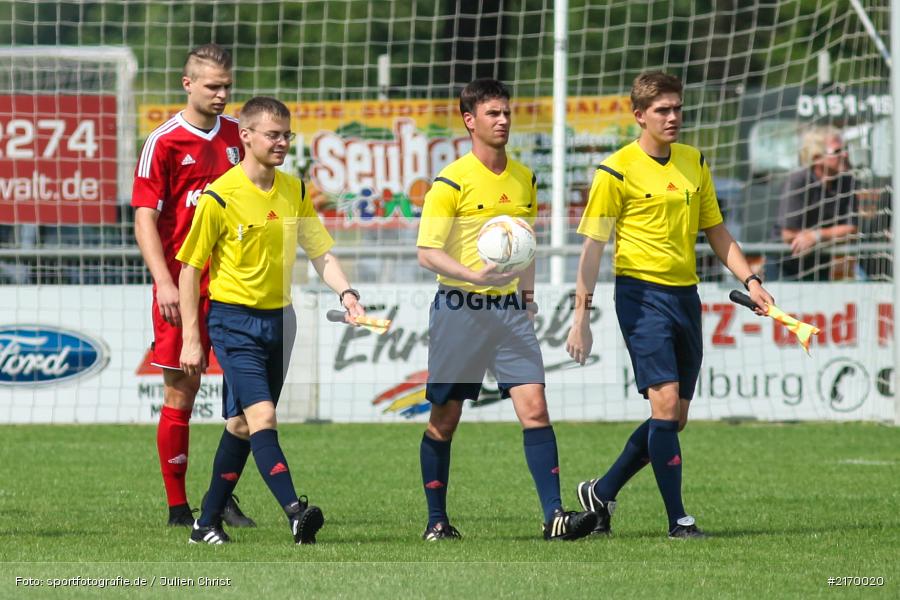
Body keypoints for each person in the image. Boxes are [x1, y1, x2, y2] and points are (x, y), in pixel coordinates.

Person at [566, 71, 775, 538]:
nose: (673, 117)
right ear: (639, 115)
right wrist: (581, 318)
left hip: (686, 296)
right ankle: (679, 520)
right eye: (662, 110)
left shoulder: (693, 160)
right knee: (663, 407)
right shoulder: (615, 170)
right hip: (640, 297)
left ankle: (601, 492)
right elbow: (592, 250)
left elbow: (716, 230)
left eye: (678, 108)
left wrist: (751, 280)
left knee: (675, 418)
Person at [176, 96, 365, 545]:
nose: (281, 143)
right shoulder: (220, 196)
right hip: (233, 322)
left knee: (243, 425)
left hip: (281, 322)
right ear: (245, 136)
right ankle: (296, 513)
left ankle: (205, 523)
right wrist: (191, 338)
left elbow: (320, 252)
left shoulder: (294, 190)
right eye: (272, 135)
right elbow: (189, 269)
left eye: (286, 135)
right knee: (263, 416)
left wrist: (348, 293)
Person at [416, 78, 597, 542]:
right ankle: (437, 521)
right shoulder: (450, 182)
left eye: (506, 112)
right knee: (444, 420)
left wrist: (528, 298)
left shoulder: (524, 178)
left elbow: (525, 246)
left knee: (535, 408)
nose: (503, 121)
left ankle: (554, 516)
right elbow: (427, 252)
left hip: (511, 312)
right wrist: (473, 276)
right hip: (460, 308)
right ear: (469, 120)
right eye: (492, 113)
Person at [132, 43, 255, 528]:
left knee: (248, 397)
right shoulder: (163, 141)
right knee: (182, 392)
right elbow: (145, 218)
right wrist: (163, 281)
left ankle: (222, 496)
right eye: (213, 86)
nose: (222, 94)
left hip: (235, 285)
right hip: (181, 287)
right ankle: (178, 507)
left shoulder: (239, 135)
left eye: (227, 86)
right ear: (188, 84)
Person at [774, 126, 857, 281]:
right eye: (838, 151)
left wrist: (816, 236)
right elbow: (788, 234)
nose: (845, 154)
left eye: (845, 149)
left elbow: (851, 230)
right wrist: (832, 234)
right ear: (817, 157)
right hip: (783, 266)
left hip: (819, 264)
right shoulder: (798, 181)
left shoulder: (847, 182)